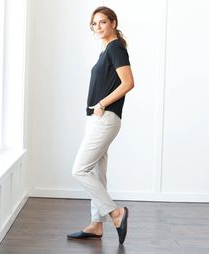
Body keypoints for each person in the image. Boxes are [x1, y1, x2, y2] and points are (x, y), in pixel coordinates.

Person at [67, 6, 134, 245]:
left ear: (113, 23)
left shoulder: (115, 48)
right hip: (97, 118)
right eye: (94, 24)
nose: (98, 27)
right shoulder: (106, 50)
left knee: (79, 169)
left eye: (102, 22)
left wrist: (102, 104)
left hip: (104, 117)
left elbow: (128, 83)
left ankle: (116, 213)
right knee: (96, 171)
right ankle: (96, 225)